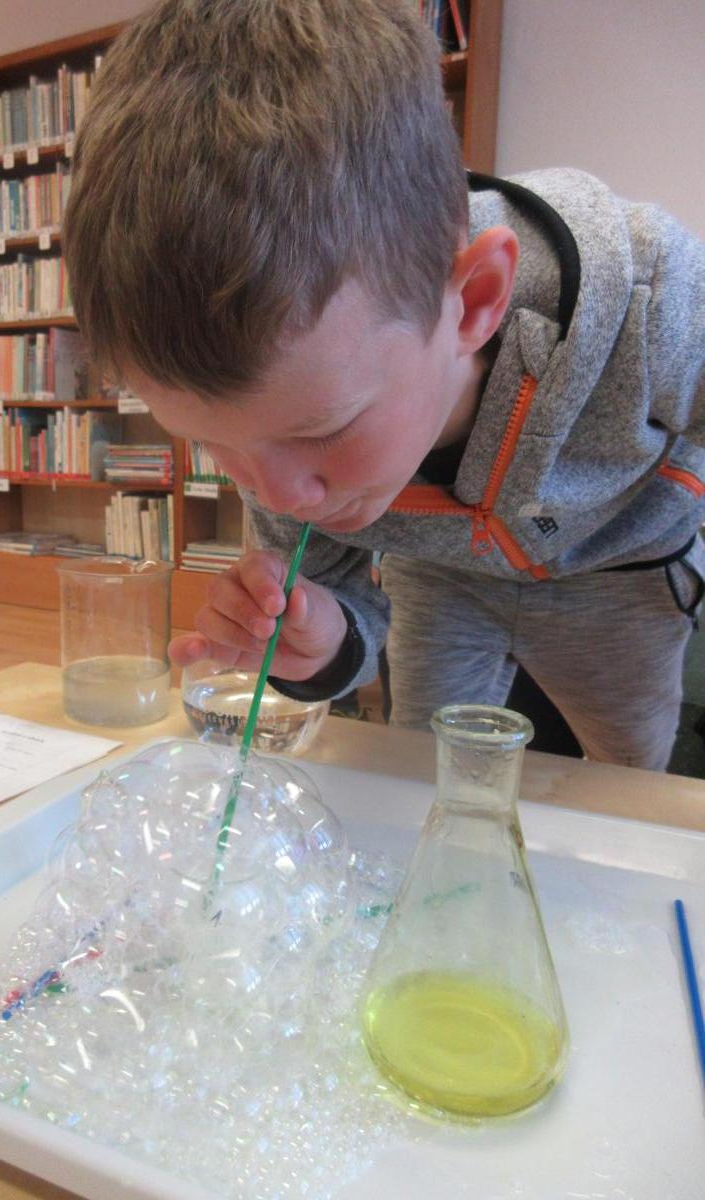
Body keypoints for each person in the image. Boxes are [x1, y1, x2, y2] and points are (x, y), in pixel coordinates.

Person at [63, 0, 705, 771]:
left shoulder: (650, 295)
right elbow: (351, 621)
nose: (280, 496)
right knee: (421, 776)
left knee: (629, 791)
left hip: (617, 573)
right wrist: (321, 636)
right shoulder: (282, 435)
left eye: (322, 430)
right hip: (440, 581)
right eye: (209, 444)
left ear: (475, 299)